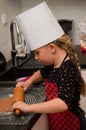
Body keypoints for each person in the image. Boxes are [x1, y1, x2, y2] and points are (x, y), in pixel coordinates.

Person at [12, 2, 86, 130]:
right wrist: (28, 83)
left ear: (52, 48)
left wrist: (28, 107)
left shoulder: (67, 69)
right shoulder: (54, 65)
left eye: (37, 53)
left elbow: (61, 103)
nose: (36, 57)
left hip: (71, 125)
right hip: (58, 123)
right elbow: (41, 73)